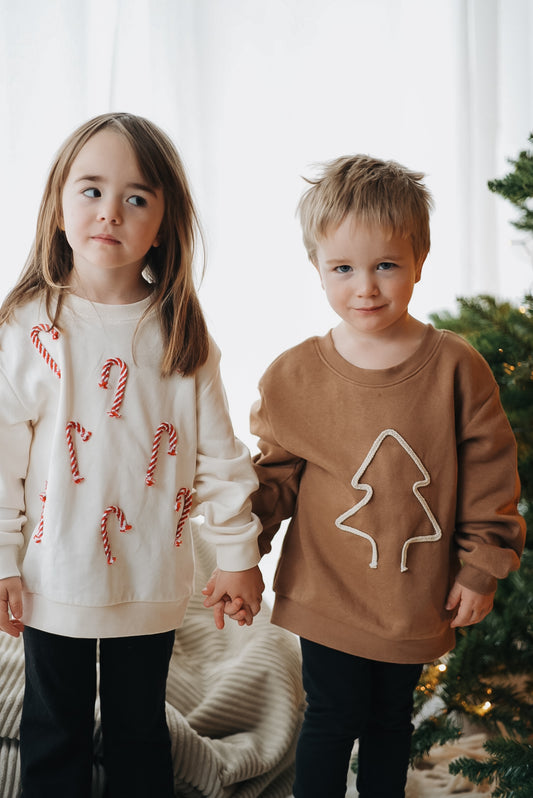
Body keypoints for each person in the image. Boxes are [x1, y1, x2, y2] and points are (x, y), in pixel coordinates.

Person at [0, 112, 264, 798]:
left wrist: (238, 555)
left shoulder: (179, 331)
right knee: (53, 726)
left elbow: (219, 455)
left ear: (162, 219)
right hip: (54, 574)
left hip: (150, 573)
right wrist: (1, 560)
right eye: (90, 190)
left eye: (135, 198)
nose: (109, 212)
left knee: (139, 730)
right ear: (58, 203)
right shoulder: (30, 326)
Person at [246, 156, 526, 797]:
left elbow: (490, 472)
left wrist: (481, 565)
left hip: (413, 595)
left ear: (419, 261)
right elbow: (275, 476)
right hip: (326, 592)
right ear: (317, 268)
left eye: (385, 265)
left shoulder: (456, 367)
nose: (365, 287)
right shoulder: (295, 376)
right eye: (343, 268)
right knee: (332, 716)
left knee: (388, 721)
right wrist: (242, 550)